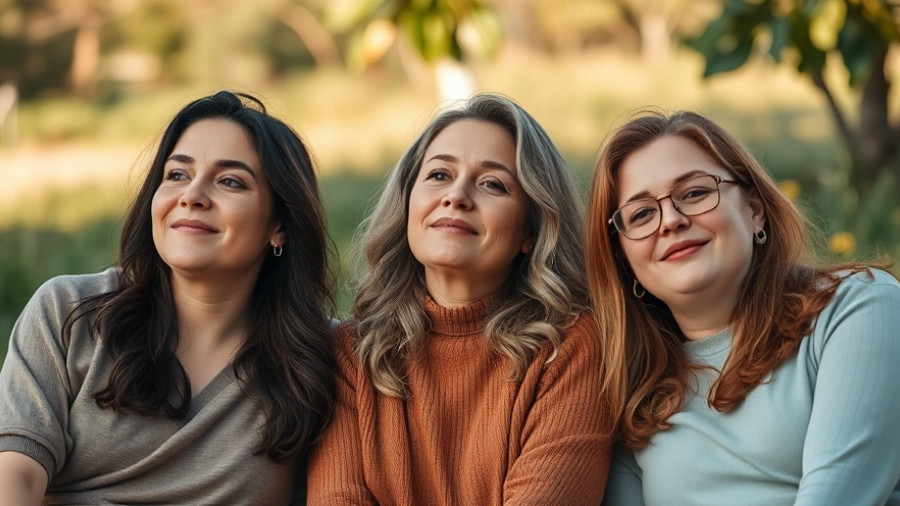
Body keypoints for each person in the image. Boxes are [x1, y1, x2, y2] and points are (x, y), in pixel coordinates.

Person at [0, 91, 336, 504]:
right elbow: (13, 479)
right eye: (177, 175)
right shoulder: (70, 313)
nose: (191, 195)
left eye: (230, 181)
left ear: (280, 226)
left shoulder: (320, 362)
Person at [306, 92, 613, 505]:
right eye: (438, 175)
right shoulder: (349, 354)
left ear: (531, 230)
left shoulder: (571, 347)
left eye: (492, 184)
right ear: (408, 203)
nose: (457, 196)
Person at [585, 109, 900, 505]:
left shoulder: (856, 309)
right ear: (623, 259)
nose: (670, 221)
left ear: (754, 210)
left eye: (695, 192)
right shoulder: (631, 393)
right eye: (642, 213)